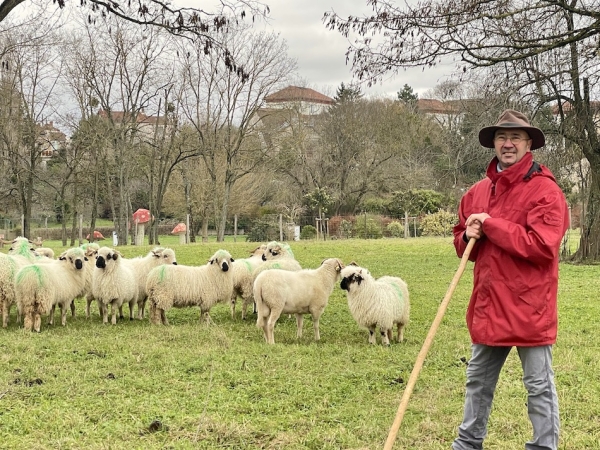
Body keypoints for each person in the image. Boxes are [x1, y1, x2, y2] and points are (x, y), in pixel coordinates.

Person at [452, 109, 570, 450]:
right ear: (493, 144)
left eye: (515, 138)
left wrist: (490, 225)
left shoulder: (546, 192)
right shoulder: (476, 193)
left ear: (528, 143)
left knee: (538, 385)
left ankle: (543, 446)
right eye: (502, 138)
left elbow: (542, 246)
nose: (507, 144)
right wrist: (468, 235)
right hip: (489, 304)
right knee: (478, 382)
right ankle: (467, 444)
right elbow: (465, 245)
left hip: (530, 306)